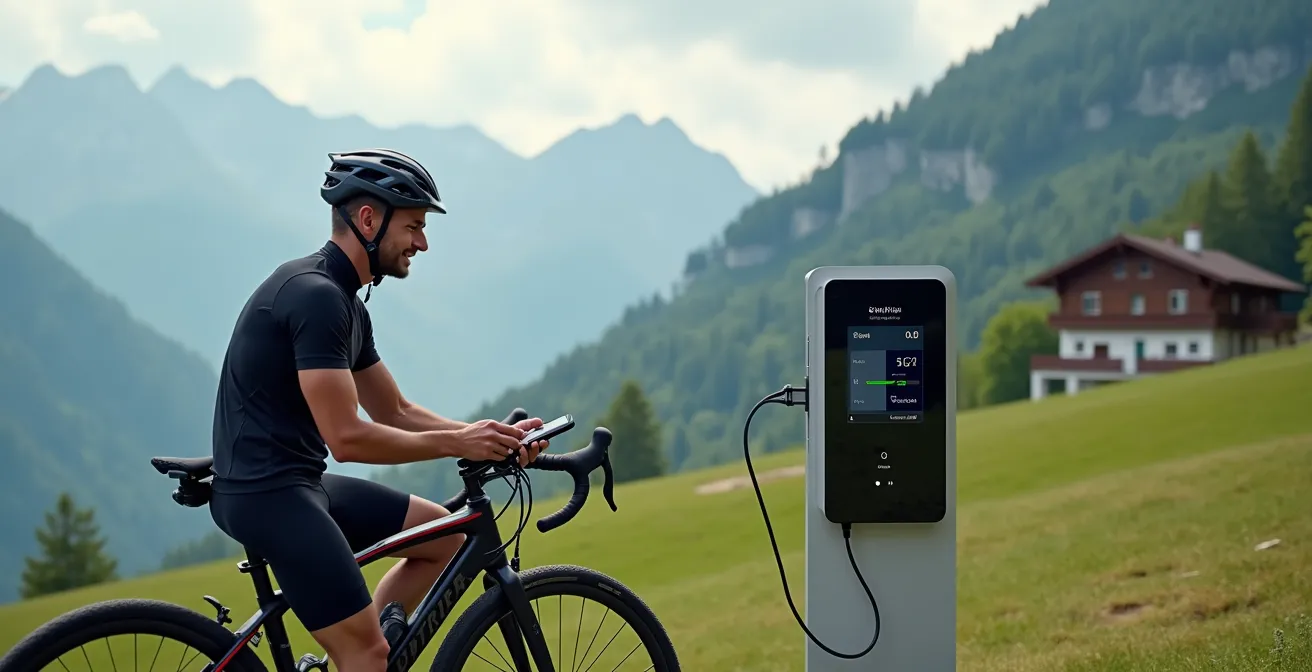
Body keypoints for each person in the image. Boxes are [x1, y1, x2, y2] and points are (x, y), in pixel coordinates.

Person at [207, 148, 550, 672]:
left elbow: (394, 409)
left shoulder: (343, 299)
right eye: (413, 226)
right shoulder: (317, 297)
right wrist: (459, 443)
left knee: (449, 538)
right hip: (270, 494)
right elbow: (348, 439)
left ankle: (369, 648)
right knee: (366, 654)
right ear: (369, 219)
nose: (423, 242)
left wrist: (492, 436)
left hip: (295, 481)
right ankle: (366, 655)